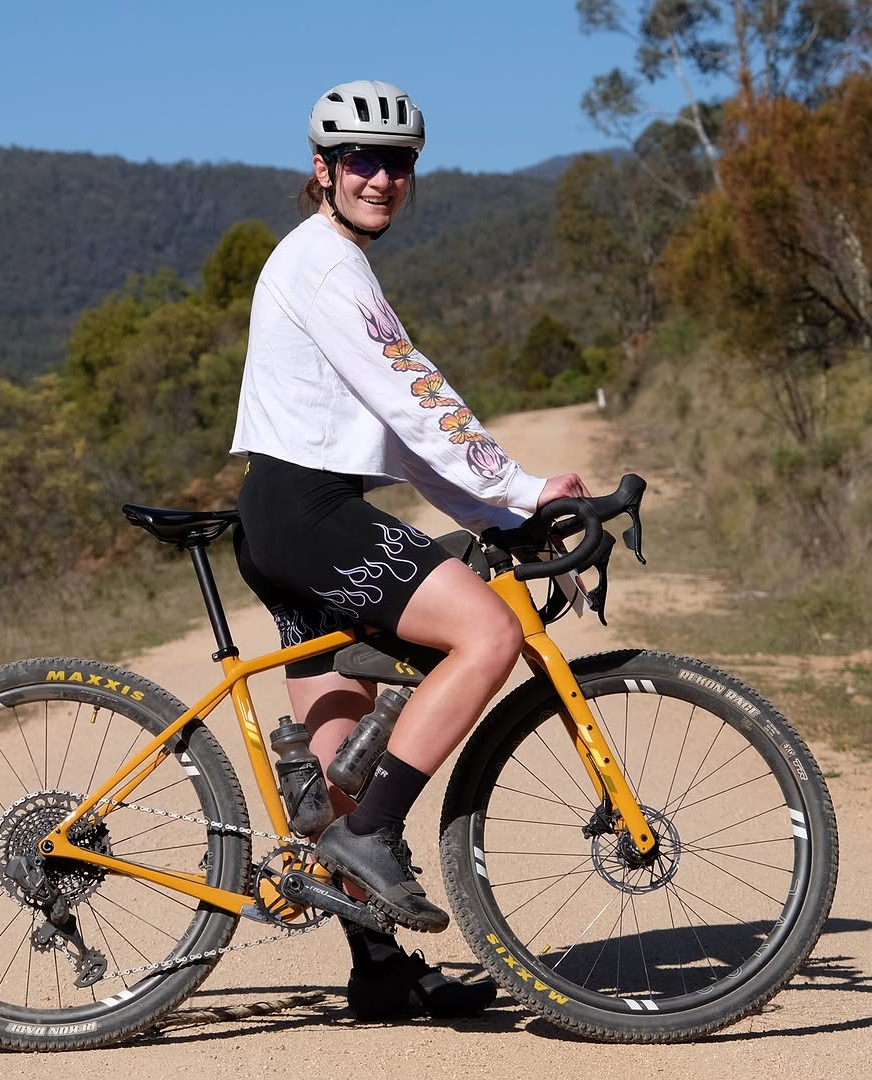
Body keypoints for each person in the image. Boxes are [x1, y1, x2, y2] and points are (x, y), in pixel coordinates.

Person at [230, 80, 590, 1021]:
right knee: (485, 637)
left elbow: (398, 443)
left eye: (397, 164)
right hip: (309, 513)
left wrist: (497, 515)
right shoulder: (326, 266)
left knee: (341, 745)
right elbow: (415, 395)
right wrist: (521, 489)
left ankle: (380, 972)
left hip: (285, 514)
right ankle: (376, 831)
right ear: (322, 170)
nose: (381, 178)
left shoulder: (327, 262)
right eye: (361, 161)